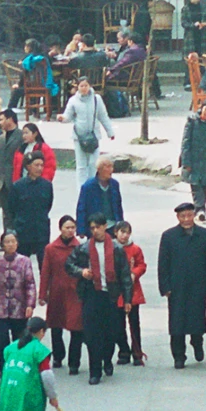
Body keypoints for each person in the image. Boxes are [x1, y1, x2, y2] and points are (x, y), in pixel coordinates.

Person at [67, 212, 130, 385]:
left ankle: (107, 360)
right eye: (92, 228)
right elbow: (69, 265)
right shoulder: (84, 248)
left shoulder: (116, 249)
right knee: (92, 334)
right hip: (91, 294)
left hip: (110, 294)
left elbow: (124, 275)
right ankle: (95, 371)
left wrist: (127, 299)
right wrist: (82, 272)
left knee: (111, 332)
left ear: (104, 227)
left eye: (98, 227)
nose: (95, 231)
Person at [158, 201, 206, 368]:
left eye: (189, 215)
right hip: (177, 287)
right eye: (182, 216)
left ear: (194, 215)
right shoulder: (169, 236)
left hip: (198, 285)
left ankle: (197, 344)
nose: (186, 219)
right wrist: (165, 287)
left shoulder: (205, 235)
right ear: (178, 217)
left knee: (197, 320)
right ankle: (179, 356)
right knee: (177, 323)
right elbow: (163, 263)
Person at [0, 230, 37, 379]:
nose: (11, 244)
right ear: (2, 245)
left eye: (13, 241)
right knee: (2, 343)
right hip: (1, 309)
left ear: (17, 243)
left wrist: (30, 305)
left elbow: (30, 284)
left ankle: (20, 373)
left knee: (19, 343)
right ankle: (4, 373)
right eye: (7, 242)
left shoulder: (24, 261)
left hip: (19, 309)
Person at [38, 218, 85, 375]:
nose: (70, 230)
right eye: (67, 227)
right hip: (57, 292)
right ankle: (58, 356)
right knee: (56, 326)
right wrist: (43, 294)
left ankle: (74, 363)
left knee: (76, 328)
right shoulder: (51, 249)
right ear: (60, 229)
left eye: (73, 227)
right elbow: (46, 272)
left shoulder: (80, 248)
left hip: (75, 292)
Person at [63, 78, 115, 189]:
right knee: (81, 165)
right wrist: (62, 118)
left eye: (86, 85)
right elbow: (68, 116)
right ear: (77, 87)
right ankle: (82, 189)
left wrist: (110, 132)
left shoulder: (97, 99)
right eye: (81, 86)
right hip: (79, 137)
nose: (84, 88)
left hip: (94, 136)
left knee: (93, 163)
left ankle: (93, 186)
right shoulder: (73, 100)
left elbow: (103, 116)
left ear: (90, 86)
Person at [178, 99, 206, 217]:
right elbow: (185, 143)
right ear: (201, 108)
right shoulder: (192, 122)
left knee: (205, 185)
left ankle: (200, 208)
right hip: (193, 159)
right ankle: (200, 209)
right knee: (195, 185)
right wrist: (186, 161)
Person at [113, 220, 146, 365]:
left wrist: (134, 274)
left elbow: (141, 265)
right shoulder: (112, 248)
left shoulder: (135, 249)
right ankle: (123, 351)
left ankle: (137, 352)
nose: (125, 236)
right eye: (122, 232)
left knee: (134, 323)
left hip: (133, 290)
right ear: (116, 233)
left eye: (127, 232)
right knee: (118, 325)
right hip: (117, 291)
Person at [11, 153, 54, 261]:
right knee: (21, 264)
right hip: (23, 230)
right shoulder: (18, 186)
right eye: (36, 165)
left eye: (42, 165)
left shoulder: (47, 186)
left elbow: (48, 205)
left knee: (44, 264)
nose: (40, 168)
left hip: (41, 231)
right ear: (28, 166)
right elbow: (12, 208)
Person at [0, 111, 21, 236]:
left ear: (10, 119)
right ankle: (7, 239)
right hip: (1, 181)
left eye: (2, 120)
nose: (0, 123)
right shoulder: (0, 138)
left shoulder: (20, 136)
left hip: (15, 179)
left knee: (16, 212)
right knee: (6, 213)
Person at [75, 158, 123, 239]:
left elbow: (118, 206)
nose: (111, 170)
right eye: (107, 167)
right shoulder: (88, 186)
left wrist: (121, 224)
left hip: (112, 225)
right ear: (99, 169)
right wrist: (81, 230)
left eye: (112, 167)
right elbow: (81, 208)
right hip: (95, 227)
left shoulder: (115, 184)